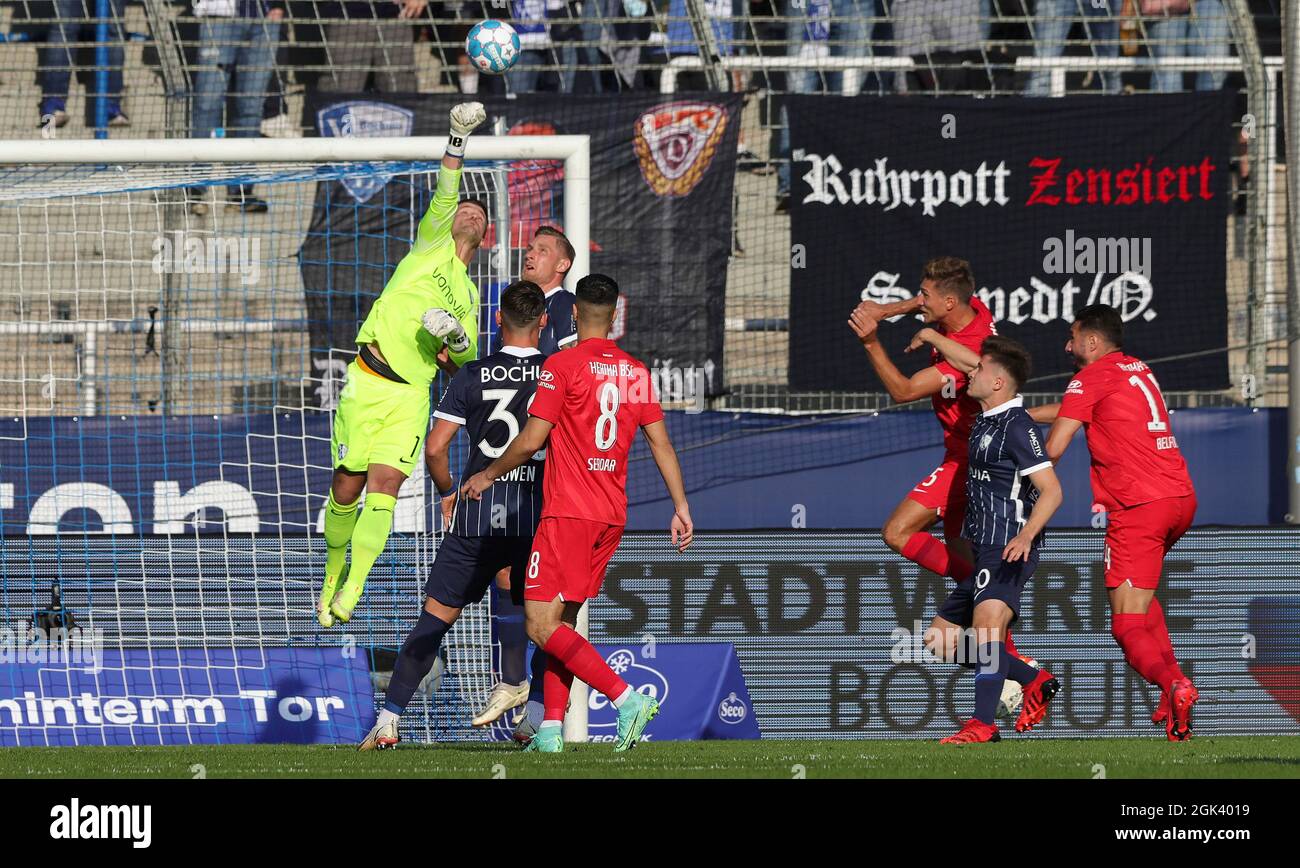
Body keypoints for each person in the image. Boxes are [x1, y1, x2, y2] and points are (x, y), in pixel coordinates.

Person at [460, 273, 694, 753]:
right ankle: (549, 733)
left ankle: (625, 697)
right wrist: (681, 506)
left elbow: (531, 439)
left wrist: (487, 474)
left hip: (567, 512)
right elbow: (662, 444)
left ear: (571, 314)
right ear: (615, 315)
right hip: (610, 515)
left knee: (538, 626)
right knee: (561, 625)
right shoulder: (635, 372)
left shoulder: (563, 366)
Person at [318, 102, 489, 627]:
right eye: (466, 208)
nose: (470, 211)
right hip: (365, 382)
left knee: (384, 489)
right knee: (345, 487)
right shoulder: (431, 245)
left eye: (481, 215)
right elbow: (445, 186)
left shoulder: (469, 294)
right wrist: (458, 136)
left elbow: (466, 359)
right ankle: (332, 570)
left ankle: (354, 587)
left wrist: (456, 336)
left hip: (409, 398)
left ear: (486, 238)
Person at [358, 281, 548, 750]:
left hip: (478, 511)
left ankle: (389, 719)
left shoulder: (473, 374)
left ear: (498, 320)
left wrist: (447, 492)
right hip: (535, 513)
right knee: (548, 624)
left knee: (435, 619)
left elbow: (436, 447)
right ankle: (537, 714)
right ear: (543, 321)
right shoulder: (556, 373)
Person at [847, 257, 1028, 664]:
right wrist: (888, 309)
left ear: (948, 302)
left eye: (925, 296)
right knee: (966, 571)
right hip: (967, 456)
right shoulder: (972, 308)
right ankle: (1016, 668)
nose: (919, 300)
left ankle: (986, 598)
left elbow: (904, 390)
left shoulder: (965, 354)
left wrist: (871, 340)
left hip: (971, 462)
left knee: (897, 531)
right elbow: (929, 302)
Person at [1032, 304, 1199, 740]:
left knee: (1125, 625)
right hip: (1179, 498)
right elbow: (1079, 406)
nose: (1067, 346)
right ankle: (1173, 689)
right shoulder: (1133, 368)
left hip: (1138, 505)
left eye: (1072, 337)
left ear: (1091, 341)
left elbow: (1054, 449)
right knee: (1144, 603)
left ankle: (1173, 684)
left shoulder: (1088, 377)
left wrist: (1008, 462)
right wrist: (1023, 413)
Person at [910, 332, 1064, 744]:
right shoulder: (987, 417)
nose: (969, 372)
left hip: (1009, 547)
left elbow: (1052, 490)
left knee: (987, 631)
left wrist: (1027, 535)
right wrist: (929, 334)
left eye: (978, 370)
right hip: (985, 553)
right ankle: (1034, 678)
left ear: (997, 382)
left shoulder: (1016, 425)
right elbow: (969, 362)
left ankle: (982, 725)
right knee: (939, 641)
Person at [470, 225, 578, 739]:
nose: (528, 255)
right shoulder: (517, 315)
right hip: (518, 470)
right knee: (514, 579)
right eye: (528, 248)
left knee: (554, 602)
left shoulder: (569, 314)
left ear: (562, 264)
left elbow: (570, 391)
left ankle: (540, 713)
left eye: (541, 251)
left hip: (555, 475)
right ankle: (520, 697)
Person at [189, 0, 286, 214]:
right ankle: (196, 191)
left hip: (264, 15)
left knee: (251, 106)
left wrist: (278, 5)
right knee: (207, 103)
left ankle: (240, 192)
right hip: (219, 16)